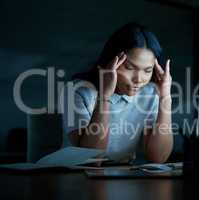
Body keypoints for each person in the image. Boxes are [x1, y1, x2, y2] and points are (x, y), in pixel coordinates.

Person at [60, 23, 173, 163]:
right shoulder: (77, 91)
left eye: (147, 70)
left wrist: (165, 98)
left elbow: (157, 158)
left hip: (122, 174)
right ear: (111, 62)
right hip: (74, 176)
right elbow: (91, 158)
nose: (138, 79)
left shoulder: (149, 94)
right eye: (130, 67)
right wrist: (105, 96)